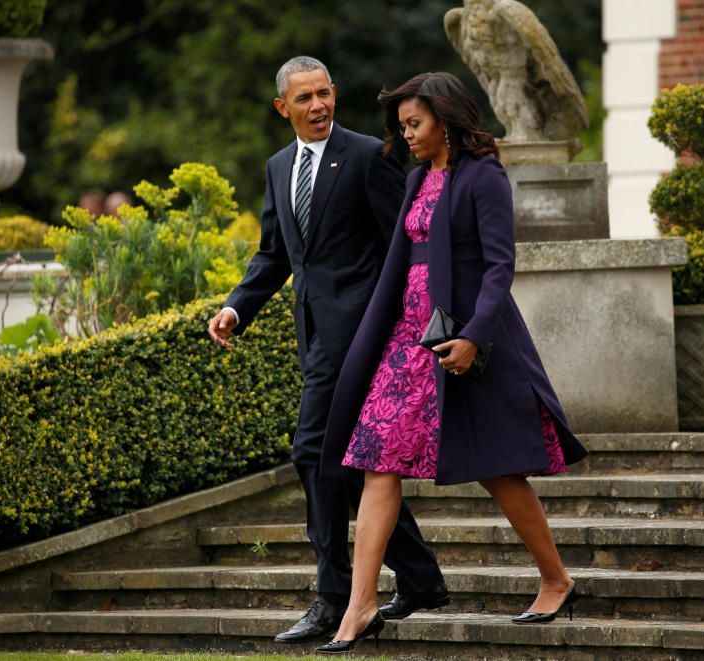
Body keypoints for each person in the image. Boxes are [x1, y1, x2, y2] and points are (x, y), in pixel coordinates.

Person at [314, 72, 589, 654]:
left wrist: (473, 338)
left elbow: (499, 267)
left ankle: (556, 579)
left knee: (498, 469)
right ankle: (360, 605)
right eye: (402, 126)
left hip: (462, 344)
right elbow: (400, 264)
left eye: (414, 124)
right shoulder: (416, 178)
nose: (406, 135)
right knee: (377, 458)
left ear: (446, 119)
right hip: (408, 341)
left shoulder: (483, 176)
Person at [207, 56, 448, 645]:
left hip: (367, 336)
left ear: (335, 94)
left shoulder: (369, 155)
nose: (318, 106)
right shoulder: (278, 167)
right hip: (315, 337)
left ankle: (332, 595)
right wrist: (237, 307)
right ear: (281, 107)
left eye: (325, 93)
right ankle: (419, 577)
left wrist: (412, 324)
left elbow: (406, 240)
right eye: (305, 98)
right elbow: (275, 256)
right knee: (346, 459)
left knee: (313, 451)